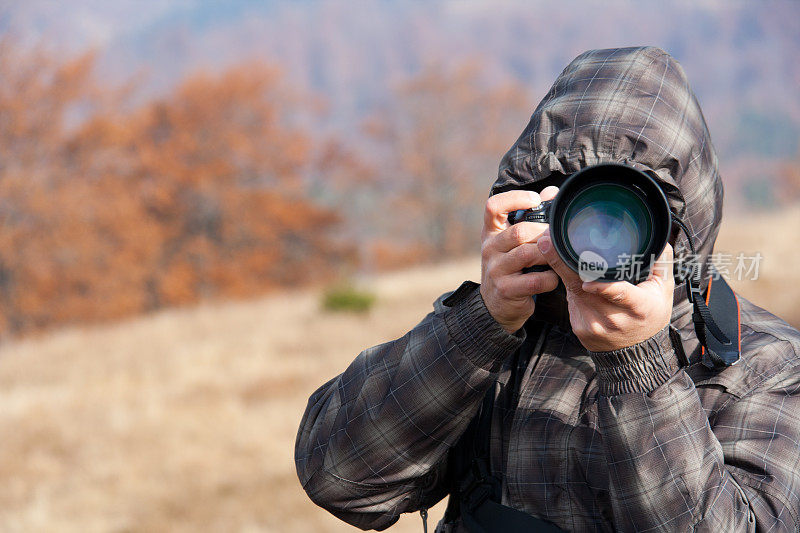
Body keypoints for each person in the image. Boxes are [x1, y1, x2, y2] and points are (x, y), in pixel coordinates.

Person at [294, 46, 800, 532]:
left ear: (680, 225)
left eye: (623, 213)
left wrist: (640, 364)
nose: (596, 239)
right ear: (535, 206)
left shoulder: (763, 364)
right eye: (573, 206)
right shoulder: (506, 326)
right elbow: (341, 478)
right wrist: (479, 324)